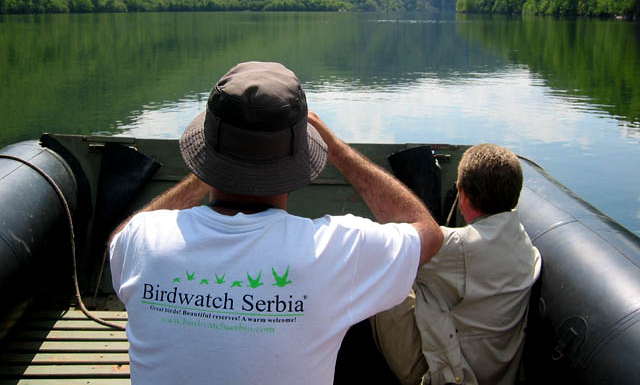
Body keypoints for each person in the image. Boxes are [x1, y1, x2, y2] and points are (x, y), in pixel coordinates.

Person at [108, 61, 443, 385]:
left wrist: (212, 170)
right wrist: (335, 148)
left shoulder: (143, 240)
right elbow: (427, 233)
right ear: (299, 159)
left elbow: (117, 242)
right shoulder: (333, 250)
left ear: (208, 151)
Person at [371, 143, 542, 385]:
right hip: (496, 373)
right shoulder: (524, 244)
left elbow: (388, 250)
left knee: (382, 276)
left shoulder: (457, 248)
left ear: (462, 195)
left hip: (449, 377)